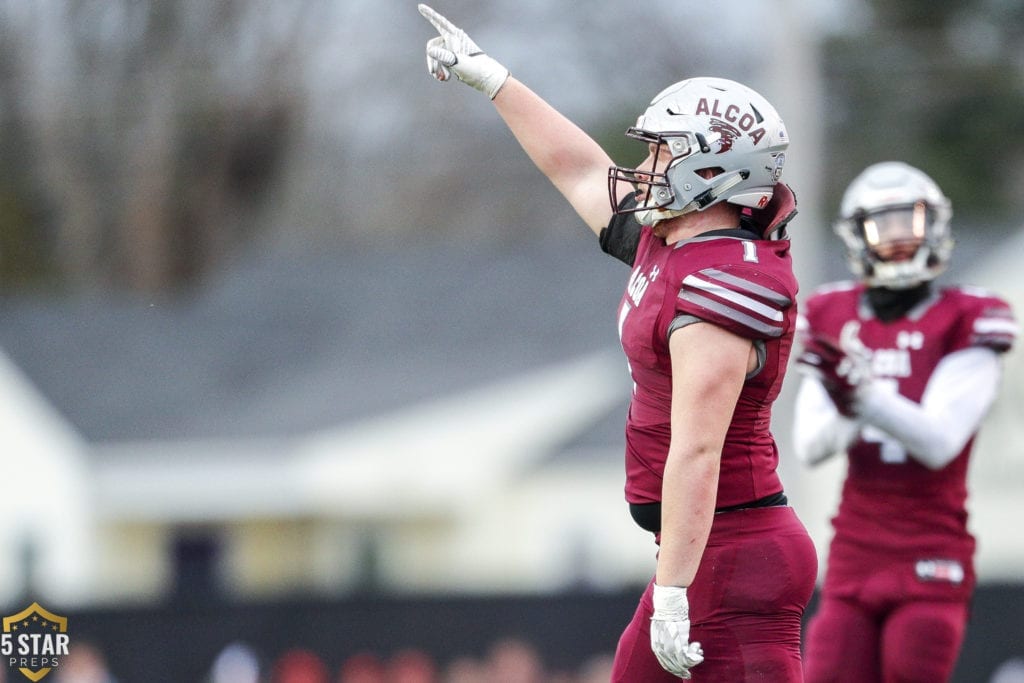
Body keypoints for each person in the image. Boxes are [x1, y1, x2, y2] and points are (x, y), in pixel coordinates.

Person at [418, 5, 818, 680]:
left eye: (662, 151)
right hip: (707, 550)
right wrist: (495, 82)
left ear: (712, 168)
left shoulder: (723, 283)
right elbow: (580, 171)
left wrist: (670, 594)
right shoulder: (673, 239)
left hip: (737, 556)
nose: (644, 166)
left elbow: (697, 447)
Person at [792, 161, 1018, 682]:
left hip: (931, 554)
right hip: (853, 553)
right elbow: (811, 447)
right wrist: (851, 401)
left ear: (934, 225)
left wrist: (862, 393)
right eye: (882, 224)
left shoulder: (969, 316)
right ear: (857, 235)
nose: (897, 237)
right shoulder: (830, 311)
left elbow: (937, 441)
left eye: (908, 221)